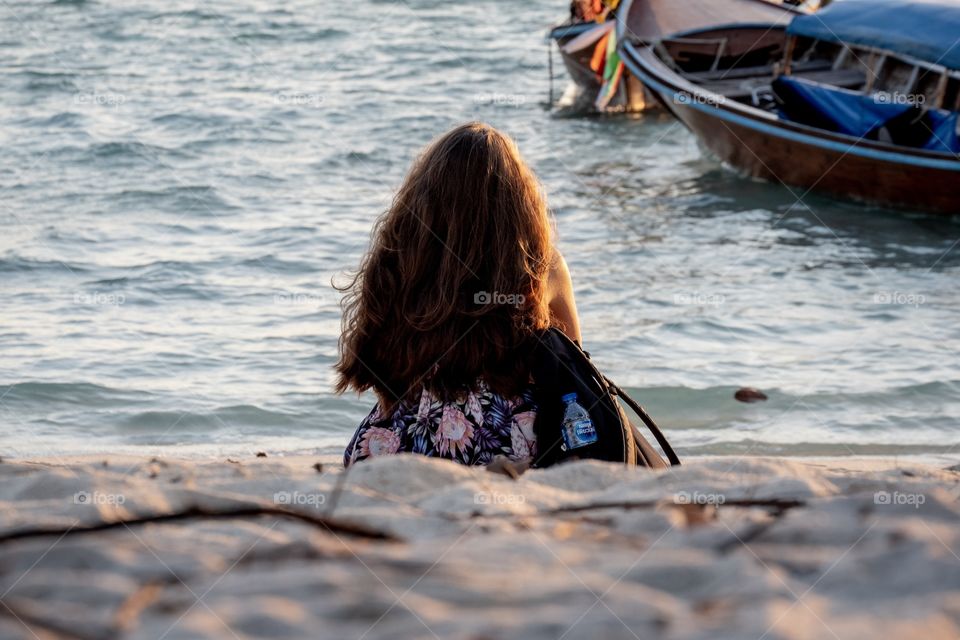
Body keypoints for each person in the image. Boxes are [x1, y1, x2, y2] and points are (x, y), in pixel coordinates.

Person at [337, 122, 582, 467]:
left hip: (395, 443)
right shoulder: (542, 267)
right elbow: (574, 370)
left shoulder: (398, 260)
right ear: (516, 200)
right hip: (507, 442)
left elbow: (375, 365)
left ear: (423, 198)